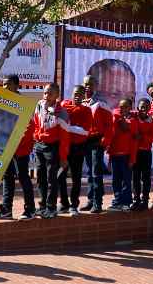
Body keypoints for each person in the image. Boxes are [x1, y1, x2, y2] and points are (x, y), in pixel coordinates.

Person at [0, 74, 36, 221]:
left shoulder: (23, 104)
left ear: (16, 86)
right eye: (3, 84)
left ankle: (30, 210)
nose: (4, 87)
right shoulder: (3, 102)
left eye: (8, 84)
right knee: (7, 178)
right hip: (6, 149)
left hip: (20, 150)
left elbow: (30, 127)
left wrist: (14, 143)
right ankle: (6, 210)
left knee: (23, 178)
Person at [32, 83, 70, 219]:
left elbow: (65, 137)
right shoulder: (39, 105)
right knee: (40, 178)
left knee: (51, 179)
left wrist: (64, 157)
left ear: (57, 95)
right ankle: (42, 206)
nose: (46, 96)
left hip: (52, 148)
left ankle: (51, 207)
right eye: (45, 93)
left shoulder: (62, 112)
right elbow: (36, 123)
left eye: (50, 93)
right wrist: (36, 135)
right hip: (39, 145)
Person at [59, 85, 93, 216]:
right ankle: (64, 204)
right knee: (60, 176)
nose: (77, 96)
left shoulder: (86, 110)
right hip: (64, 147)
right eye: (75, 94)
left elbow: (85, 132)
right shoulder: (64, 105)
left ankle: (74, 205)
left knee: (76, 177)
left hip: (78, 148)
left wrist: (67, 127)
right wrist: (73, 127)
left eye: (80, 94)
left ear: (84, 96)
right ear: (71, 94)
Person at [81, 75, 112, 214]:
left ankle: (98, 203)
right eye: (86, 84)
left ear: (96, 86)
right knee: (89, 172)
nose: (88, 86)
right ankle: (90, 200)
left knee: (96, 173)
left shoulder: (101, 102)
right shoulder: (81, 101)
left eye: (91, 84)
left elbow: (109, 124)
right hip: (84, 141)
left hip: (96, 141)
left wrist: (104, 142)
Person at [107, 98, 138, 211]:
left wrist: (132, 159)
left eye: (125, 106)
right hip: (115, 155)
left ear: (130, 108)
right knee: (116, 180)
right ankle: (117, 201)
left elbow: (134, 142)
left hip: (126, 156)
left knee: (126, 180)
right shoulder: (116, 119)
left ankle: (127, 201)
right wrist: (110, 159)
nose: (122, 109)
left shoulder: (133, 121)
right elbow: (112, 139)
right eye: (120, 106)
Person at [131, 98, 153, 211]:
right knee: (135, 177)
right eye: (142, 107)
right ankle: (136, 200)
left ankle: (145, 200)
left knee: (146, 178)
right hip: (135, 152)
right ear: (138, 108)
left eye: (146, 107)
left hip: (146, 153)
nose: (144, 109)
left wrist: (143, 137)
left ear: (149, 108)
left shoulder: (152, 121)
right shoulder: (133, 118)